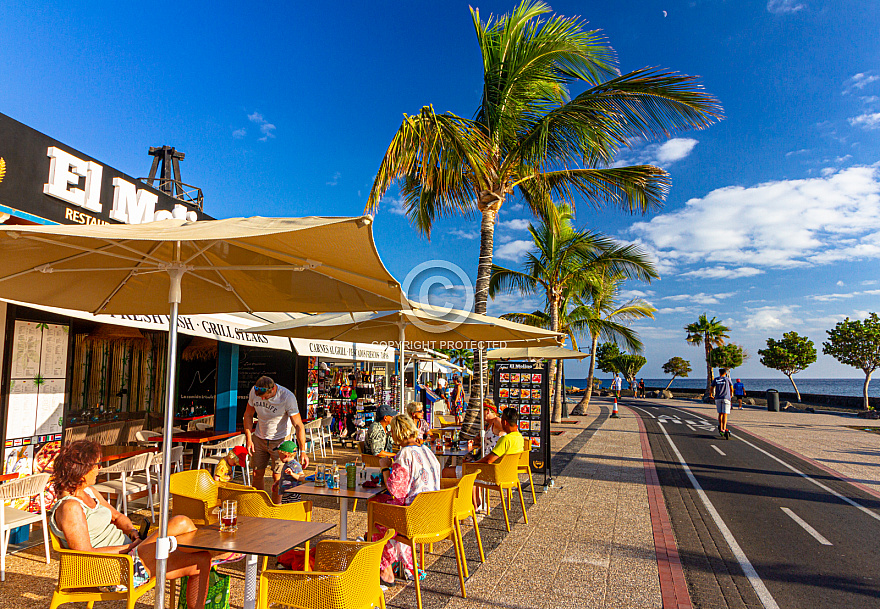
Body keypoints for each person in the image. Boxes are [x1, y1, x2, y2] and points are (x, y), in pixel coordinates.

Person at [49, 440, 214, 609]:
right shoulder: (70, 507)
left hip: (132, 556)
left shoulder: (90, 492)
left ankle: (212, 553)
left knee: (202, 560)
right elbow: (84, 553)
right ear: (81, 471)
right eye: (97, 464)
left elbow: (118, 517)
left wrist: (132, 532)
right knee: (180, 522)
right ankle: (219, 550)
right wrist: (129, 548)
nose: (100, 468)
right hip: (113, 569)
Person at [369, 414, 441, 586]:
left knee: (376, 513)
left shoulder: (405, 455)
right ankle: (392, 562)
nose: (390, 434)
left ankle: (385, 568)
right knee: (384, 508)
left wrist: (385, 467)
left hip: (415, 519)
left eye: (392, 431)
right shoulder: (426, 451)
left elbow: (396, 491)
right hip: (435, 515)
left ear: (398, 433)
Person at [243, 376, 309, 496]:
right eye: (260, 397)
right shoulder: (254, 391)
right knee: (256, 474)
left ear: (273, 389)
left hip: (280, 440)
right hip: (259, 437)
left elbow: (299, 425)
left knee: (278, 477)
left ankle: (276, 509)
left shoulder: (286, 397)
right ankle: (258, 507)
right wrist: (248, 438)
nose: (262, 399)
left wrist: (303, 450)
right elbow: (248, 414)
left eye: (265, 396)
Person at [711, 368, 733, 440]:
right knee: (725, 414)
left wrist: (711, 394)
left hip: (718, 398)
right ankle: (724, 427)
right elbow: (731, 387)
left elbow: (711, 387)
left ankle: (721, 427)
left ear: (719, 373)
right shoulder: (727, 379)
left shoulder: (716, 379)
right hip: (726, 398)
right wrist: (731, 394)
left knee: (720, 413)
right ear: (725, 373)